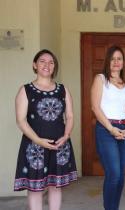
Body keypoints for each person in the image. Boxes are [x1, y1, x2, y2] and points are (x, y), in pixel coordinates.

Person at [14, 49, 78, 210]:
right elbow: (21, 121)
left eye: (51, 62)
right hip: (34, 147)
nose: (47, 65)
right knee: (35, 188)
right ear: (34, 65)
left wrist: (66, 135)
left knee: (56, 186)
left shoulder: (63, 90)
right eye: (42, 61)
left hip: (59, 145)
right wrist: (38, 141)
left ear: (54, 67)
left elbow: (69, 116)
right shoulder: (25, 90)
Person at [91, 45, 125, 210]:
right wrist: (111, 129)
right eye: (113, 58)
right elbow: (95, 107)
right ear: (108, 61)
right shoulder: (100, 79)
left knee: (121, 176)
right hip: (106, 130)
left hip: (124, 131)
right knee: (114, 174)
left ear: (123, 62)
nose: (116, 62)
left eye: (119, 59)